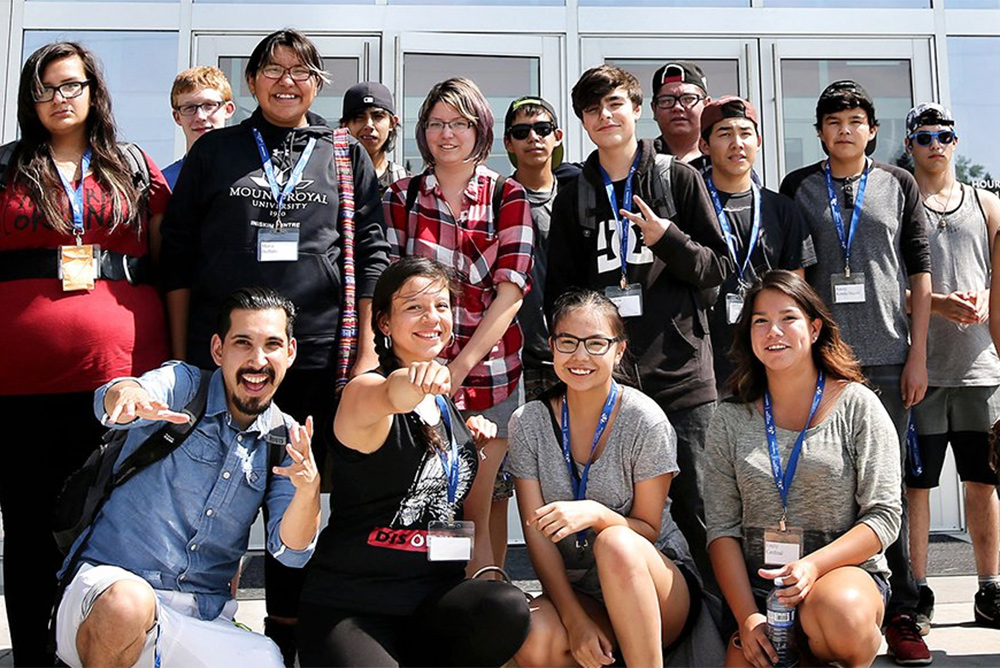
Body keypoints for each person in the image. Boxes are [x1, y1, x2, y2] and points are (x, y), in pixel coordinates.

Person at [160, 28, 390, 662]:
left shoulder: (343, 154)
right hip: (225, 360)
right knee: (216, 493)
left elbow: (373, 253)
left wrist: (368, 350)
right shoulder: (217, 153)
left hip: (314, 357)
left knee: (300, 496)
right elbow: (176, 256)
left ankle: (294, 634)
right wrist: (182, 352)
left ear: (318, 83)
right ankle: (209, 629)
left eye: (302, 70)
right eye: (274, 70)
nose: (287, 81)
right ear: (252, 82)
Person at [0, 41, 171, 666]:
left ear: (94, 92)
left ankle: (102, 652)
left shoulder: (132, 166)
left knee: (111, 526)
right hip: (18, 386)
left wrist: (175, 361)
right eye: (44, 89)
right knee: (27, 531)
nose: (58, 99)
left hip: (122, 379)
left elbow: (168, 264)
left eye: (70, 85)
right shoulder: (5, 168)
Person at [55, 286, 320, 668]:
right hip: (105, 594)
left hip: (198, 617)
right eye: (242, 343)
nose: (257, 360)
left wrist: (307, 490)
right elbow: (117, 395)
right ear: (218, 349)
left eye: (272, 345)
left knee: (265, 660)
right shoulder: (185, 386)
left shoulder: (285, 437)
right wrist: (128, 398)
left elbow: (291, 553)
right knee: (129, 604)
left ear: (290, 352)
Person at [296, 257, 531, 667]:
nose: (432, 317)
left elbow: (466, 512)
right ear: (384, 324)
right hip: (354, 608)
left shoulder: (447, 408)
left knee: (504, 607)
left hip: (432, 605)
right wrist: (416, 380)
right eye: (414, 307)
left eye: (441, 306)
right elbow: (392, 394)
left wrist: (479, 454)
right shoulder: (364, 391)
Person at [545, 64, 728, 588]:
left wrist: (667, 237)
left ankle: (720, 624)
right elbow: (560, 290)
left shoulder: (677, 177)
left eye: (614, 104)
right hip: (610, 385)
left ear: (635, 109)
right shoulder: (575, 190)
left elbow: (717, 267)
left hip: (682, 378)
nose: (605, 116)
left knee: (700, 512)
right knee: (617, 512)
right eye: (592, 109)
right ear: (583, 120)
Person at [779, 79, 933, 666]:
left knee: (882, 489)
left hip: (890, 358)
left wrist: (918, 352)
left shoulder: (899, 184)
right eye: (833, 121)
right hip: (823, 360)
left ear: (872, 130)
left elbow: (919, 270)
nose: (845, 130)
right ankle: (812, 602)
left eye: (855, 121)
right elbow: (795, 274)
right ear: (819, 132)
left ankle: (902, 612)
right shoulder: (800, 187)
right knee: (818, 479)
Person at [705, 270, 902, 668]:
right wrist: (749, 618)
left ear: (813, 329)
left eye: (788, 318)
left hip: (844, 579)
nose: (773, 331)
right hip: (763, 596)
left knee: (839, 613)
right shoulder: (728, 418)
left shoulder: (857, 405)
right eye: (760, 321)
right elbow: (721, 529)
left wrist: (813, 566)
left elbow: (884, 517)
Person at [383, 77, 534, 569]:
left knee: (485, 497)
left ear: (481, 130)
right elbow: (389, 287)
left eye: (460, 124)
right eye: (436, 124)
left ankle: (487, 607)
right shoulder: (402, 198)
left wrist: (461, 367)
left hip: (490, 373)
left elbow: (511, 290)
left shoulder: (508, 195)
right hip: (417, 376)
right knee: (424, 495)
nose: (447, 134)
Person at [509, 289, 701, 668]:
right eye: (568, 342)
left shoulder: (644, 420)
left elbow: (647, 527)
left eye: (596, 343)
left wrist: (596, 514)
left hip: (655, 584)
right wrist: (575, 619)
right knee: (535, 640)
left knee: (615, 541)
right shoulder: (528, 422)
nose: (580, 356)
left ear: (619, 350)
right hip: (580, 592)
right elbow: (536, 534)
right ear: (552, 347)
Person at [903, 103, 1000, 632]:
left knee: (982, 484)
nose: (936, 144)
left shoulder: (985, 204)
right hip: (922, 368)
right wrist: (937, 303)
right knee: (917, 486)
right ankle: (918, 592)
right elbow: (875, 291)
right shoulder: (900, 202)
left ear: (956, 143)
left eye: (945, 135)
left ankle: (990, 589)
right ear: (910, 146)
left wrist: (986, 295)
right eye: (925, 137)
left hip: (979, 367)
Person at [698, 96, 816, 397]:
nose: (737, 143)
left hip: (766, 357)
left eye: (745, 133)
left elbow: (795, 291)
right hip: (703, 360)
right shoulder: (691, 205)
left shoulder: (782, 209)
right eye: (724, 134)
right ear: (704, 146)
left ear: (759, 141)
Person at [163, 66, 236, 189]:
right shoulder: (164, 183)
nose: (200, 116)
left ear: (228, 110)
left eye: (209, 105)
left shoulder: (248, 177)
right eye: (189, 108)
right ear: (177, 117)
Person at [340, 81, 408, 195]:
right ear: (344, 125)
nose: (369, 125)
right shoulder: (330, 178)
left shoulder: (406, 183)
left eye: (378, 116)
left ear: (392, 123)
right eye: (359, 117)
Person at [649, 60, 711, 170]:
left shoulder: (722, 159)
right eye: (666, 100)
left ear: (707, 105)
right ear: (654, 109)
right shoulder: (642, 161)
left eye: (688, 99)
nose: (677, 107)